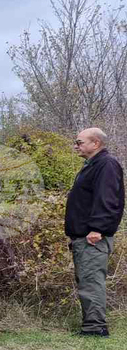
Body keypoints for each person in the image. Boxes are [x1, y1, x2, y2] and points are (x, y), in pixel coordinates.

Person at [66, 127, 125, 337]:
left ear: (96, 143)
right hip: (84, 236)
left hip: (93, 237)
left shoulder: (106, 164)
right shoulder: (93, 165)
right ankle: (92, 324)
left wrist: (97, 229)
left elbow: (108, 199)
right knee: (87, 279)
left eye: (79, 142)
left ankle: (95, 327)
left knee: (91, 281)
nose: (76, 146)